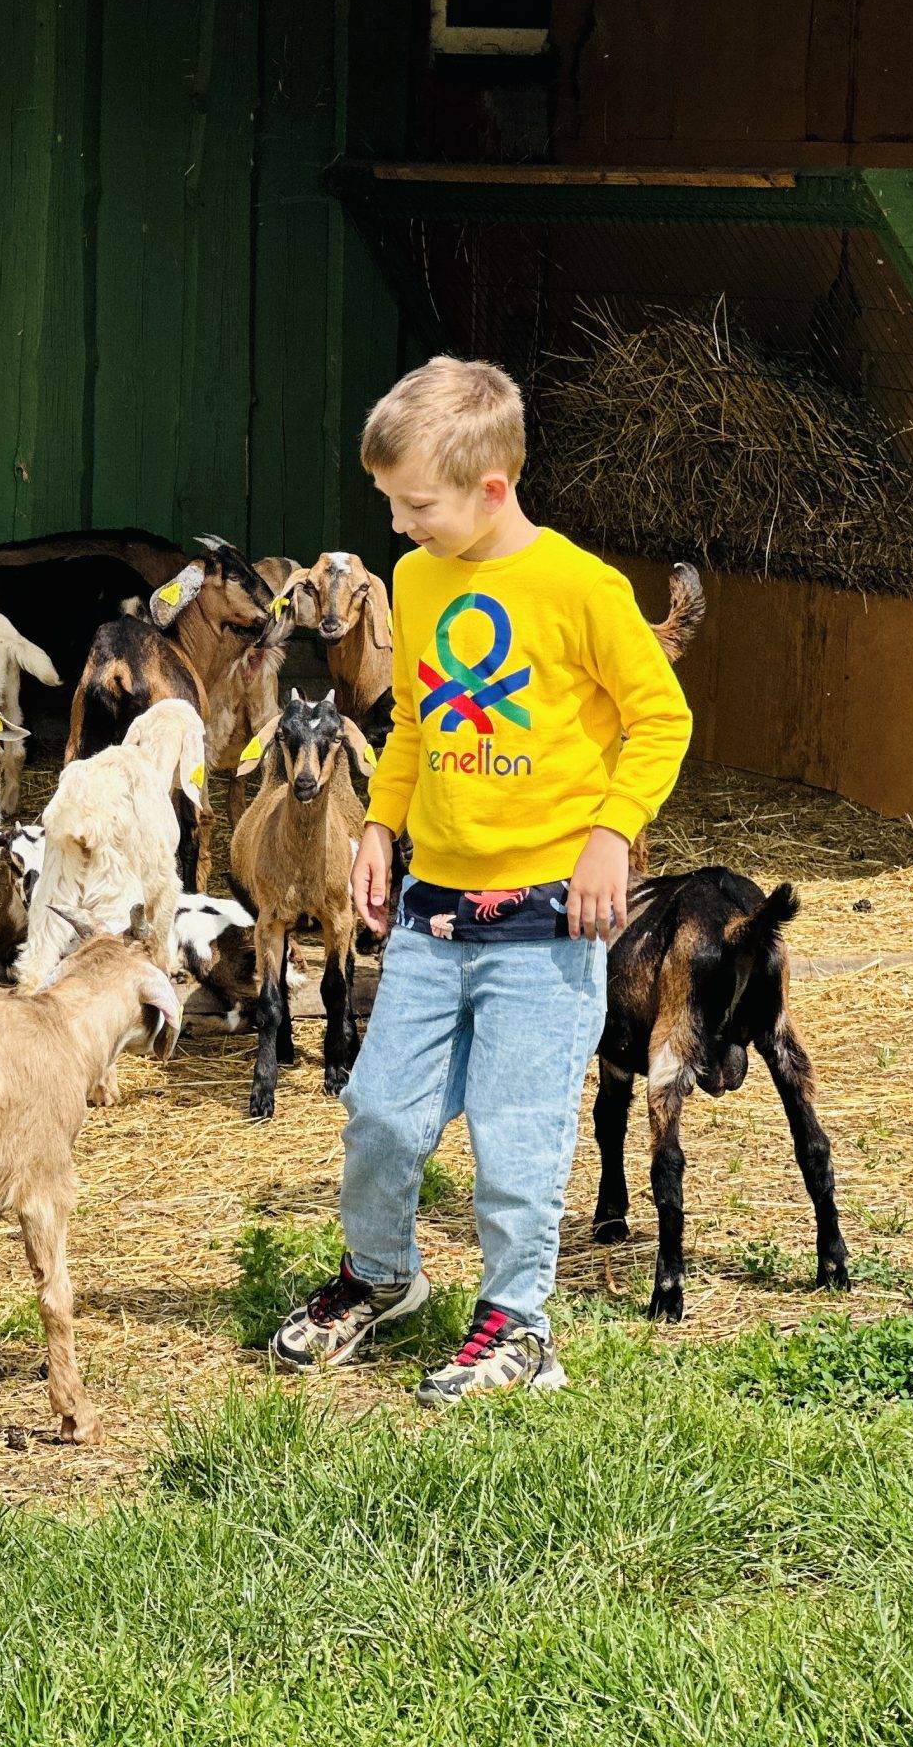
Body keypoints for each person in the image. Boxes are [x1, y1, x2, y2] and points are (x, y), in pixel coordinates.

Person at [271, 356, 692, 1404]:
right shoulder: (417, 580)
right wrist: (380, 826)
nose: (400, 526)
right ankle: (379, 1277)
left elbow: (661, 719)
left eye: (416, 506)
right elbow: (419, 722)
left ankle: (518, 1327)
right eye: (391, 504)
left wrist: (611, 834)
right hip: (431, 919)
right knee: (379, 1115)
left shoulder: (581, 590)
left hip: (546, 929)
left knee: (517, 1138)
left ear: (491, 488)